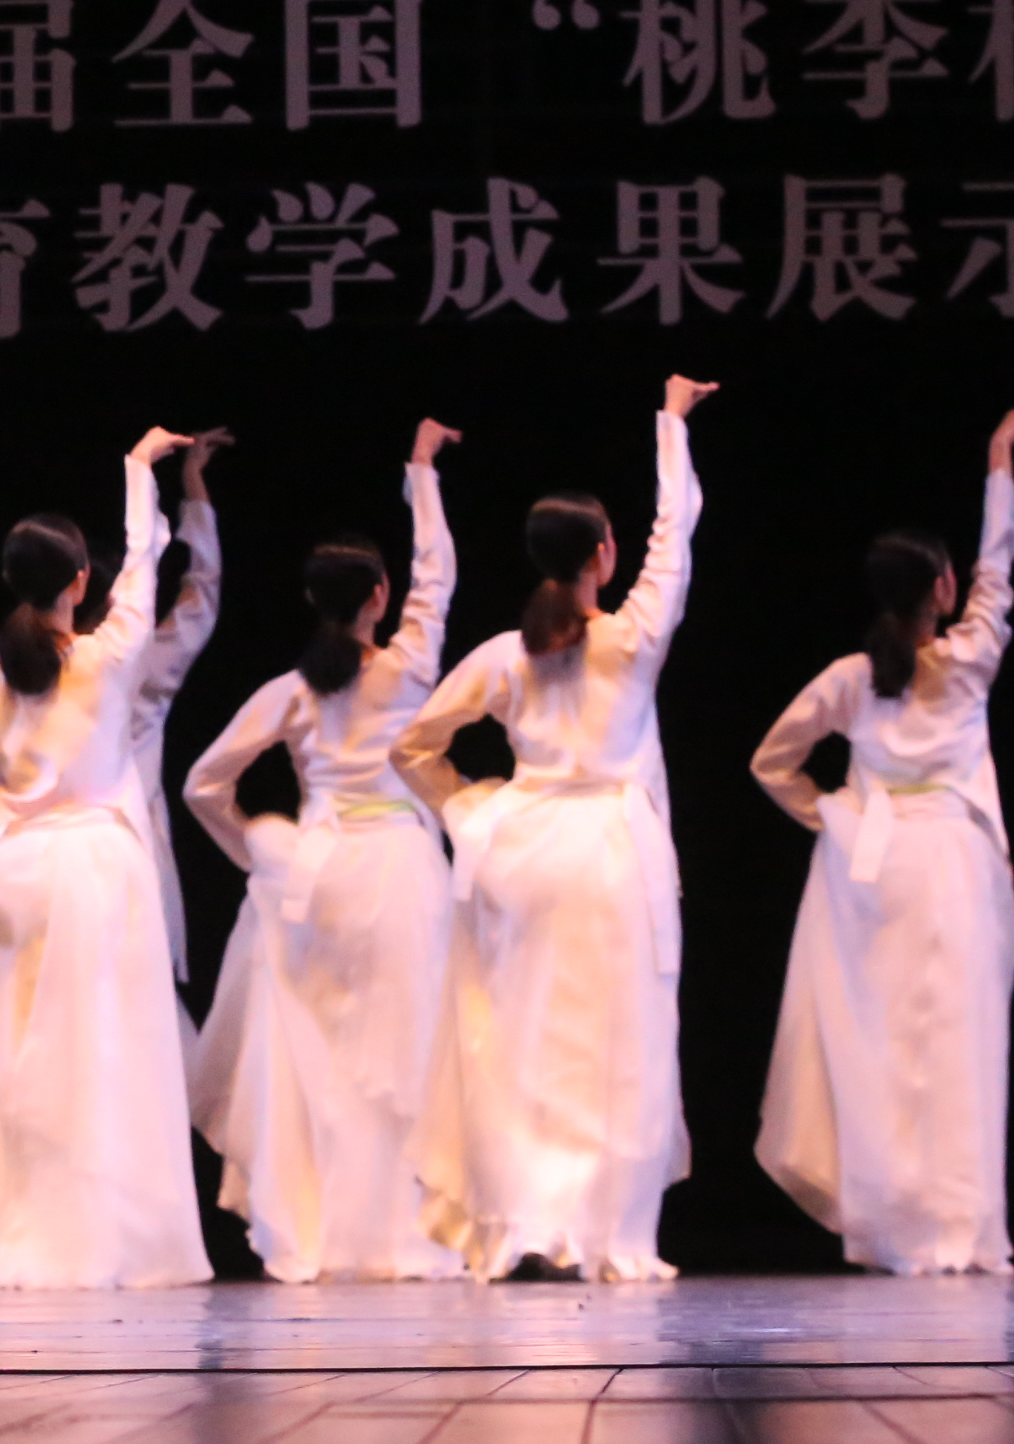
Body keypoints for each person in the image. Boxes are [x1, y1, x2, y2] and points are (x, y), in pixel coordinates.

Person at [393, 376, 714, 1284]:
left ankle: (529, 1219)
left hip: (524, 848)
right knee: (620, 1043)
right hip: (610, 851)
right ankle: (606, 1233)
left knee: (523, 1039)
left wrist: (471, 809)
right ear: (604, 555)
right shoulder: (631, 638)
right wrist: (672, 422)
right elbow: (676, 535)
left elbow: (413, 748)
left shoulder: (507, 655)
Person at [0, 428, 214, 1291]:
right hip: (101, 873)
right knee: (102, 1057)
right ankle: (95, 1239)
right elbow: (144, 561)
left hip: (14, 871)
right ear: (81, 581)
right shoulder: (109, 656)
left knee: (13, 1055)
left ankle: (15, 1229)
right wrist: (138, 467)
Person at [747, 409, 1014, 1276]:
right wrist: (999, 460)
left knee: (883, 1041)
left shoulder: (853, 677)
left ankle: (890, 1224)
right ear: (942, 588)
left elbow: (771, 763)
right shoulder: (968, 659)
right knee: (957, 1046)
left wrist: (838, 818)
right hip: (951, 862)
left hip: (877, 868)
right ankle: (959, 1224)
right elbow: (1001, 565)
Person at [182, 417, 462, 1282]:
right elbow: (438, 575)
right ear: (378, 596)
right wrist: (421, 470)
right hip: (399, 868)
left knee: (323, 1058)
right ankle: (394, 1224)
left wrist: (260, 852)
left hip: (316, 871)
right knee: (401, 1053)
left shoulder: (293, 692)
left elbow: (202, 785)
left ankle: (319, 1219)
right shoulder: (408, 667)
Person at [125, 433, 230, 982]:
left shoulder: (27, 669)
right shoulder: (133, 663)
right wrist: (192, 483)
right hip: (132, 848)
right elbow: (202, 591)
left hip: (48, 858)